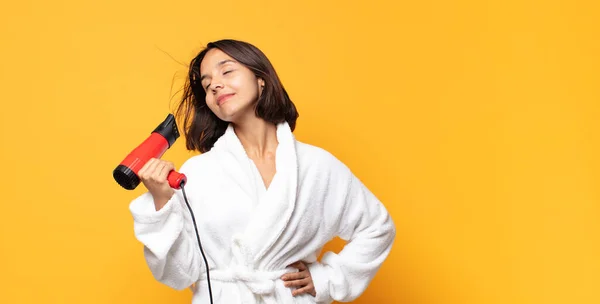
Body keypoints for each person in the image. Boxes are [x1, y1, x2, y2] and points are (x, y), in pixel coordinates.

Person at [128, 39, 396, 304]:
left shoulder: (317, 166)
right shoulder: (198, 173)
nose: (216, 85)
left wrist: (327, 279)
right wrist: (162, 201)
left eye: (227, 71)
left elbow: (377, 228)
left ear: (261, 79)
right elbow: (180, 274)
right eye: (208, 85)